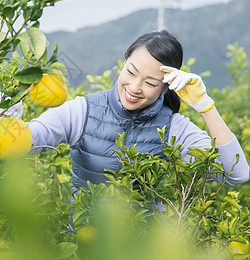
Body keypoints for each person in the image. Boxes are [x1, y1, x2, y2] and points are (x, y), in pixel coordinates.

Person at [25, 30, 249, 199]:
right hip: (84, 244)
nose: (134, 87)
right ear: (124, 62)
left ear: (165, 88)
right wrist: (4, 114)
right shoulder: (83, 111)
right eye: (131, 72)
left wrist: (206, 106)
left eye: (150, 83)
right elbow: (28, 138)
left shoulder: (173, 128)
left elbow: (236, 173)